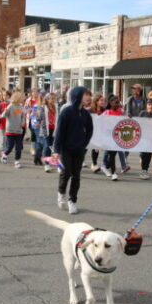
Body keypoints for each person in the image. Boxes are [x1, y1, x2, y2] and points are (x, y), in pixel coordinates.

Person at [52, 86, 93, 215]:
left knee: (76, 175)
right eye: (85, 94)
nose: (88, 97)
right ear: (77, 96)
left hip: (79, 149)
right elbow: (59, 132)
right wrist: (56, 150)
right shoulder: (67, 111)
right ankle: (61, 193)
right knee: (66, 172)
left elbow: (90, 130)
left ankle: (72, 201)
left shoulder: (86, 113)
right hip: (66, 148)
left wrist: (84, 143)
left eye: (88, 95)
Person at [0, 92, 26, 168]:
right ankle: (5, 154)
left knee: (18, 147)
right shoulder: (10, 106)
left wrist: (23, 123)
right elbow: (4, 115)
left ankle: (17, 161)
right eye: (21, 98)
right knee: (10, 146)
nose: (23, 99)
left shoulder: (21, 107)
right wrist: (4, 111)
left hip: (18, 130)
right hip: (10, 130)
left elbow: (23, 117)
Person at [138, 98, 152, 179]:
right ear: (147, 105)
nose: (150, 106)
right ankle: (143, 169)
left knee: (148, 155)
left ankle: (145, 170)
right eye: (149, 104)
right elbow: (138, 124)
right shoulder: (142, 113)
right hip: (143, 138)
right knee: (143, 154)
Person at [88, 94, 107, 172]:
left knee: (96, 148)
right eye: (101, 100)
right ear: (96, 101)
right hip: (90, 132)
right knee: (84, 149)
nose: (103, 102)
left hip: (99, 132)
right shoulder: (90, 110)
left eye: (104, 100)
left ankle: (94, 164)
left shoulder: (105, 111)